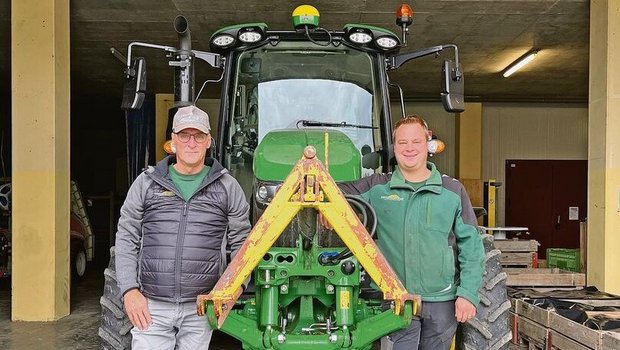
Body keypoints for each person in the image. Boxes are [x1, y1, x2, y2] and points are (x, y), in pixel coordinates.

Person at [338, 115, 484, 350]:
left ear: (428, 143)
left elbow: (472, 247)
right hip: (395, 299)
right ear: (394, 148)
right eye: (402, 142)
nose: (409, 148)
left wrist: (467, 294)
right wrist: (325, 205)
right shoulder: (376, 187)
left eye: (415, 141)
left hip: (442, 301)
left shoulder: (452, 191)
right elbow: (333, 190)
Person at [115, 105, 251, 350]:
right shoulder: (147, 183)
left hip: (200, 307)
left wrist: (234, 287)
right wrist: (129, 290)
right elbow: (126, 237)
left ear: (209, 141)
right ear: (173, 141)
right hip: (151, 305)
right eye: (184, 135)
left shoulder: (227, 187)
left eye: (199, 136)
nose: (192, 143)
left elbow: (244, 243)